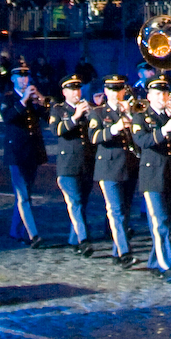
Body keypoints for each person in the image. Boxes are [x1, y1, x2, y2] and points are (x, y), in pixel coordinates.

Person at [133, 77, 171, 282]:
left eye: (165, 93)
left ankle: (154, 262)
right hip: (152, 175)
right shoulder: (141, 117)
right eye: (157, 94)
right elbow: (141, 140)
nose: (162, 97)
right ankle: (166, 265)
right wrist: (164, 129)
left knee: (165, 219)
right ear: (149, 97)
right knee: (160, 223)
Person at [88, 77, 140, 266]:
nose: (117, 94)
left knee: (125, 211)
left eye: (120, 90)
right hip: (109, 167)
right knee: (116, 210)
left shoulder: (131, 110)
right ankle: (125, 252)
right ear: (106, 92)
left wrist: (131, 117)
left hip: (129, 165)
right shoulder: (99, 112)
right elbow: (93, 137)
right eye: (113, 90)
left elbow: (139, 134)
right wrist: (114, 129)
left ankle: (116, 252)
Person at [0, 64, 51, 248]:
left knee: (26, 194)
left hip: (32, 152)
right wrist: (23, 100)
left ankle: (16, 230)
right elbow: (8, 117)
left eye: (26, 77)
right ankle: (32, 234)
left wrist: (41, 101)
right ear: (13, 79)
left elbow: (48, 117)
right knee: (23, 196)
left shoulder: (34, 97)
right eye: (20, 77)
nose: (24, 80)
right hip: (17, 153)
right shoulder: (8, 97)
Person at [50, 75, 96, 253]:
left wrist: (92, 113)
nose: (76, 93)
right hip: (68, 166)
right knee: (75, 202)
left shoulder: (86, 108)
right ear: (64, 92)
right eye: (72, 90)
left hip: (86, 164)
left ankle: (74, 239)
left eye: (78, 89)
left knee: (82, 203)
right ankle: (84, 240)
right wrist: (75, 117)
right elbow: (57, 130)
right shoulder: (59, 110)